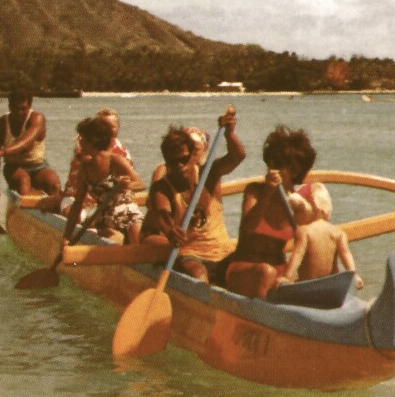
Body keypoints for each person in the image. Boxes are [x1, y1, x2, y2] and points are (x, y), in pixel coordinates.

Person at [222, 125, 331, 298]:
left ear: (294, 170)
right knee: (266, 272)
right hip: (244, 269)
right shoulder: (255, 191)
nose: (272, 169)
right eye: (271, 163)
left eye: (279, 165)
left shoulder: (298, 203)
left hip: (279, 273)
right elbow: (247, 228)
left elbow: (307, 245)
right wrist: (267, 194)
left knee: (306, 280)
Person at [140, 107, 245, 281]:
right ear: (166, 162)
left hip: (224, 252)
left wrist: (230, 135)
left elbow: (237, 156)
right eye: (173, 162)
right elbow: (161, 213)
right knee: (199, 273)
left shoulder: (209, 174)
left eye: (183, 159)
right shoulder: (162, 187)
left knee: (248, 266)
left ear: (193, 156)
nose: (179, 166)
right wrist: (170, 231)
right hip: (190, 255)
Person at [61, 116, 145, 244]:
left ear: (92, 141)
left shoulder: (114, 160)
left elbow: (140, 184)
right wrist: (67, 237)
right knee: (116, 239)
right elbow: (77, 204)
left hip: (127, 211)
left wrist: (126, 185)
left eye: (82, 139)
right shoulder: (86, 167)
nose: (80, 143)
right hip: (105, 216)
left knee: (139, 243)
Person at [0, 90, 61, 228]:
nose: (19, 113)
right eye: (15, 108)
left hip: (39, 167)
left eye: (23, 109)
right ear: (9, 106)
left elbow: (26, 143)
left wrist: (3, 152)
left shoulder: (37, 119)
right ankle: (29, 225)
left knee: (53, 182)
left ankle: (59, 224)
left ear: (30, 106)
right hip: (14, 168)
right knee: (23, 181)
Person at [42, 107, 137, 215]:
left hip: (109, 202)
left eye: (111, 126)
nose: (106, 129)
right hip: (77, 197)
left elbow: (133, 184)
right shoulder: (85, 147)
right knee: (75, 214)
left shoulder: (122, 153)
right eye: (102, 125)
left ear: (118, 128)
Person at [278, 190, 364, 291]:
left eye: (297, 211)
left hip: (310, 286)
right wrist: (354, 275)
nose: (293, 217)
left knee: (289, 280)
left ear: (310, 209)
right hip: (332, 286)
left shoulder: (304, 231)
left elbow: (298, 255)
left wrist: (286, 276)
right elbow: (346, 255)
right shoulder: (338, 232)